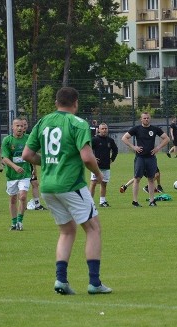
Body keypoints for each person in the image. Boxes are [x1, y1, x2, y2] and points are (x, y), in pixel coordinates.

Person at [22, 86, 111, 295]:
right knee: (93, 229)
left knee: (67, 230)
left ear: (56, 103)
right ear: (76, 103)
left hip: (48, 187)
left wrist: (48, 163)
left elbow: (27, 154)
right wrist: (98, 174)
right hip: (70, 185)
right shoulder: (78, 123)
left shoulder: (43, 122)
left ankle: (61, 280)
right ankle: (94, 283)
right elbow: (88, 158)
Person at [121, 112, 170, 207]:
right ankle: (135, 201)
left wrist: (158, 148)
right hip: (140, 158)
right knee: (137, 178)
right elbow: (124, 138)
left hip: (151, 158)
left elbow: (166, 139)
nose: (146, 119)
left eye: (148, 118)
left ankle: (152, 201)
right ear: (141, 119)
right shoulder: (137, 129)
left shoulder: (155, 129)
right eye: (144, 118)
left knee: (151, 179)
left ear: (150, 119)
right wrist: (133, 147)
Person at [1, 118, 32, 231]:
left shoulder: (28, 139)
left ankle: (20, 221)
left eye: (21, 126)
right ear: (12, 127)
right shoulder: (7, 141)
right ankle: (14, 223)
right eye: (17, 126)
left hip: (25, 174)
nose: (19, 128)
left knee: (23, 196)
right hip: (11, 175)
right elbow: (5, 158)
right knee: (13, 199)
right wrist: (15, 167)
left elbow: (33, 153)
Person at [89, 122, 118, 207]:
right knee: (93, 183)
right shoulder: (94, 140)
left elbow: (115, 150)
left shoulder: (110, 140)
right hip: (96, 166)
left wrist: (112, 159)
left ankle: (102, 201)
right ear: (99, 130)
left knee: (104, 183)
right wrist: (93, 158)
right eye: (102, 129)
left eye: (106, 128)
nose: (104, 130)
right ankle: (90, 203)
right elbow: (87, 149)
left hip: (106, 166)